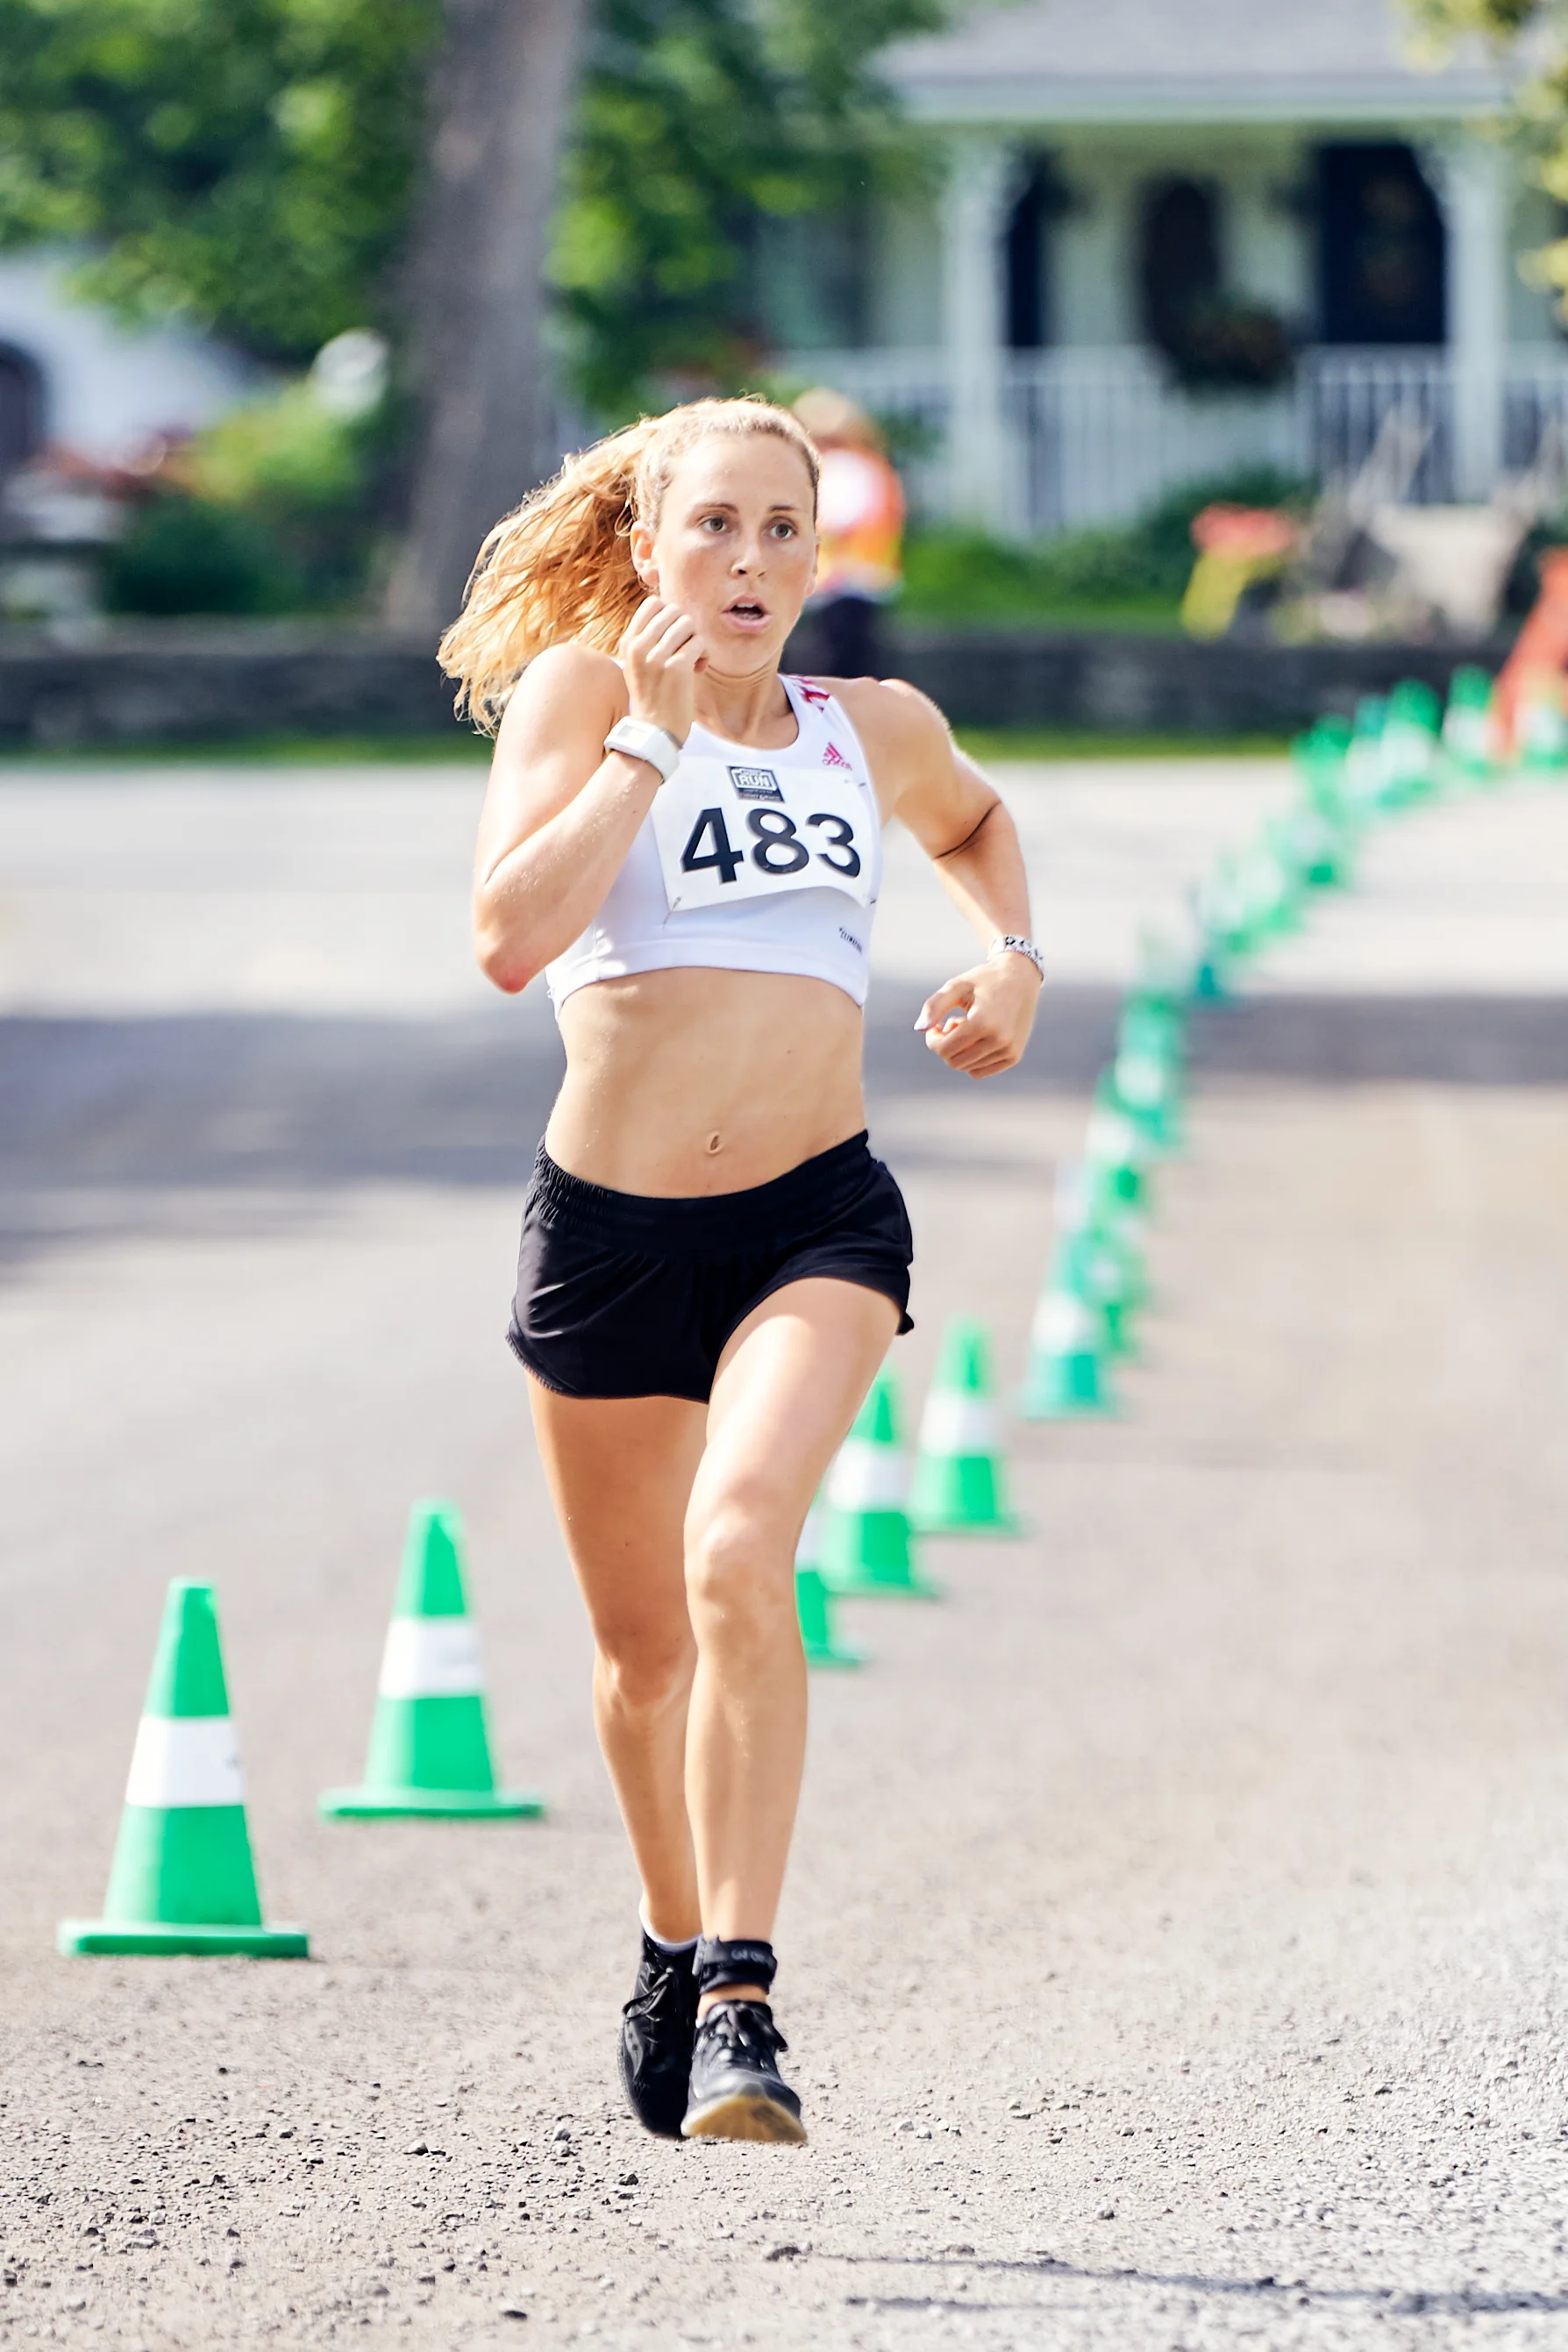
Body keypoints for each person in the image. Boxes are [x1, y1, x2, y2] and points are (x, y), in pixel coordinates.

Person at [441, 396, 1044, 2146]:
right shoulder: (578, 699)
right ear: (647, 544)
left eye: (785, 529)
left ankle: (742, 2001)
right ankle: (669, 1932)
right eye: (715, 527)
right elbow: (505, 941)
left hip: (816, 1219)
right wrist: (642, 746)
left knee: (738, 1554)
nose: (752, 563)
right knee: (641, 1661)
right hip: (612, 1237)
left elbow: (981, 825)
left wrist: (1010, 959)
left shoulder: (876, 729)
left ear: (821, 548)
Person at [792, 388, 905, 678]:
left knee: (837, 653)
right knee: (853, 651)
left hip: (843, 574)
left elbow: (835, 519)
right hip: (864, 573)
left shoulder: (842, 467)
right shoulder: (872, 465)